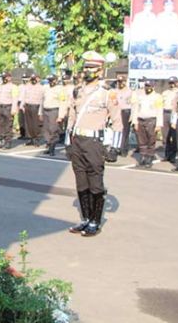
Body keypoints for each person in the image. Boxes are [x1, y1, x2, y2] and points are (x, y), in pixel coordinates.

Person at [66, 51, 122, 237]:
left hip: (94, 142)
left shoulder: (107, 93)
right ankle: (85, 218)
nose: (87, 71)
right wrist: (68, 142)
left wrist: (114, 147)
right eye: (86, 67)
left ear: (100, 70)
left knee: (95, 183)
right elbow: (71, 117)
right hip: (78, 141)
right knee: (81, 182)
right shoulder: (77, 91)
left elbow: (117, 122)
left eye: (91, 68)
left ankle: (95, 221)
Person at [131, 79, 162, 167]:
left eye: (149, 86)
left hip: (151, 120)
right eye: (146, 86)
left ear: (153, 87)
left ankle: (149, 157)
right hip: (140, 119)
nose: (147, 88)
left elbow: (160, 111)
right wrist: (135, 122)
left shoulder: (157, 97)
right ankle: (143, 156)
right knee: (141, 140)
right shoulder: (140, 96)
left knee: (151, 140)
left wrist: (159, 124)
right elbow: (135, 109)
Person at [40, 75, 66, 156]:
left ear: (56, 80)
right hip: (45, 110)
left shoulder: (60, 89)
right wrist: (40, 113)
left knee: (53, 129)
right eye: (49, 80)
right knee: (46, 130)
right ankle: (48, 145)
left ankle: (52, 148)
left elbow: (63, 103)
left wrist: (61, 116)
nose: (51, 82)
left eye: (52, 80)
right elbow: (42, 100)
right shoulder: (45, 87)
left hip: (54, 111)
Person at [0, 71, 18, 149]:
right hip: (0, 107)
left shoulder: (13, 87)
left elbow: (15, 98)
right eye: (3, 77)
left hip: (8, 107)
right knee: (0, 125)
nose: (4, 78)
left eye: (6, 77)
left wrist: (14, 108)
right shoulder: (0, 86)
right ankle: (2, 141)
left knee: (8, 126)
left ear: (10, 78)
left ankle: (8, 142)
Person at [113, 75, 133, 157]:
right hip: (116, 111)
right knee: (116, 130)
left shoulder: (130, 92)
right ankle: (116, 147)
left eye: (122, 81)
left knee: (125, 131)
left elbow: (133, 104)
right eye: (119, 82)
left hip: (126, 111)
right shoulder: (115, 91)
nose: (120, 83)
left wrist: (132, 115)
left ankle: (123, 149)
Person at [21, 73, 43, 146]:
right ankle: (31, 139)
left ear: (38, 79)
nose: (33, 80)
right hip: (27, 106)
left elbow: (42, 100)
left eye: (35, 78)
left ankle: (37, 139)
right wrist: (22, 106)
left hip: (36, 106)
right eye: (32, 79)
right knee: (29, 124)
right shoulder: (27, 86)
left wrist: (40, 110)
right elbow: (23, 96)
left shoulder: (41, 87)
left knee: (35, 124)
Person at [161, 77, 178, 162]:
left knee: (174, 136)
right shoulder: (165, 93)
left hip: (174, 114)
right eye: (170, 83)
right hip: (165, 113)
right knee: (165, 136)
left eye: (173, 83)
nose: (172, 85)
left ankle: (173, 155)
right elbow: (160, 104)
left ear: (177, 83)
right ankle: (166, 154)